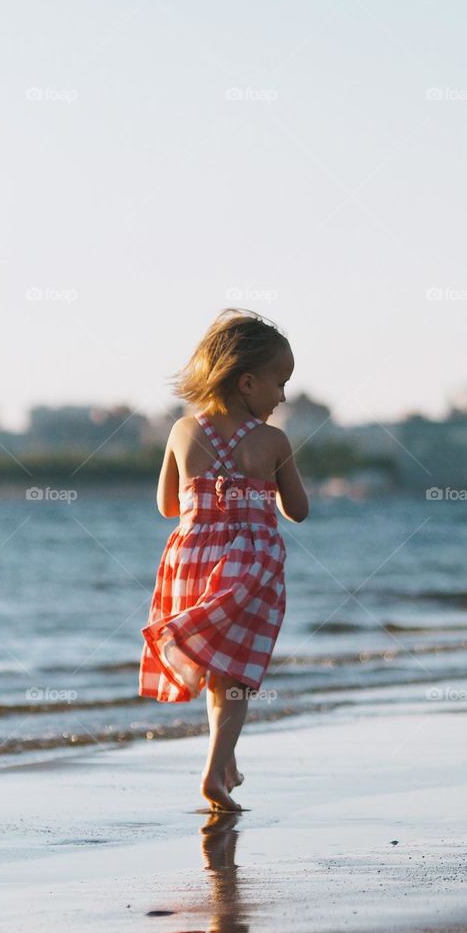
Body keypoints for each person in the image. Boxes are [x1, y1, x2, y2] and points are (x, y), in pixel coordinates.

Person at [138, 307, 309, 812]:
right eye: (279, 383)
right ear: (247, 381)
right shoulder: (272, 441)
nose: (282, 397)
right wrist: (265, 485)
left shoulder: (181, 431)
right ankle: (215, 770)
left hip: (191, 558)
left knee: (217, 667)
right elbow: (297, 511)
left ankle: (224, 760)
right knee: (236, 672)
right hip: (250, 563)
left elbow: (167, 507)